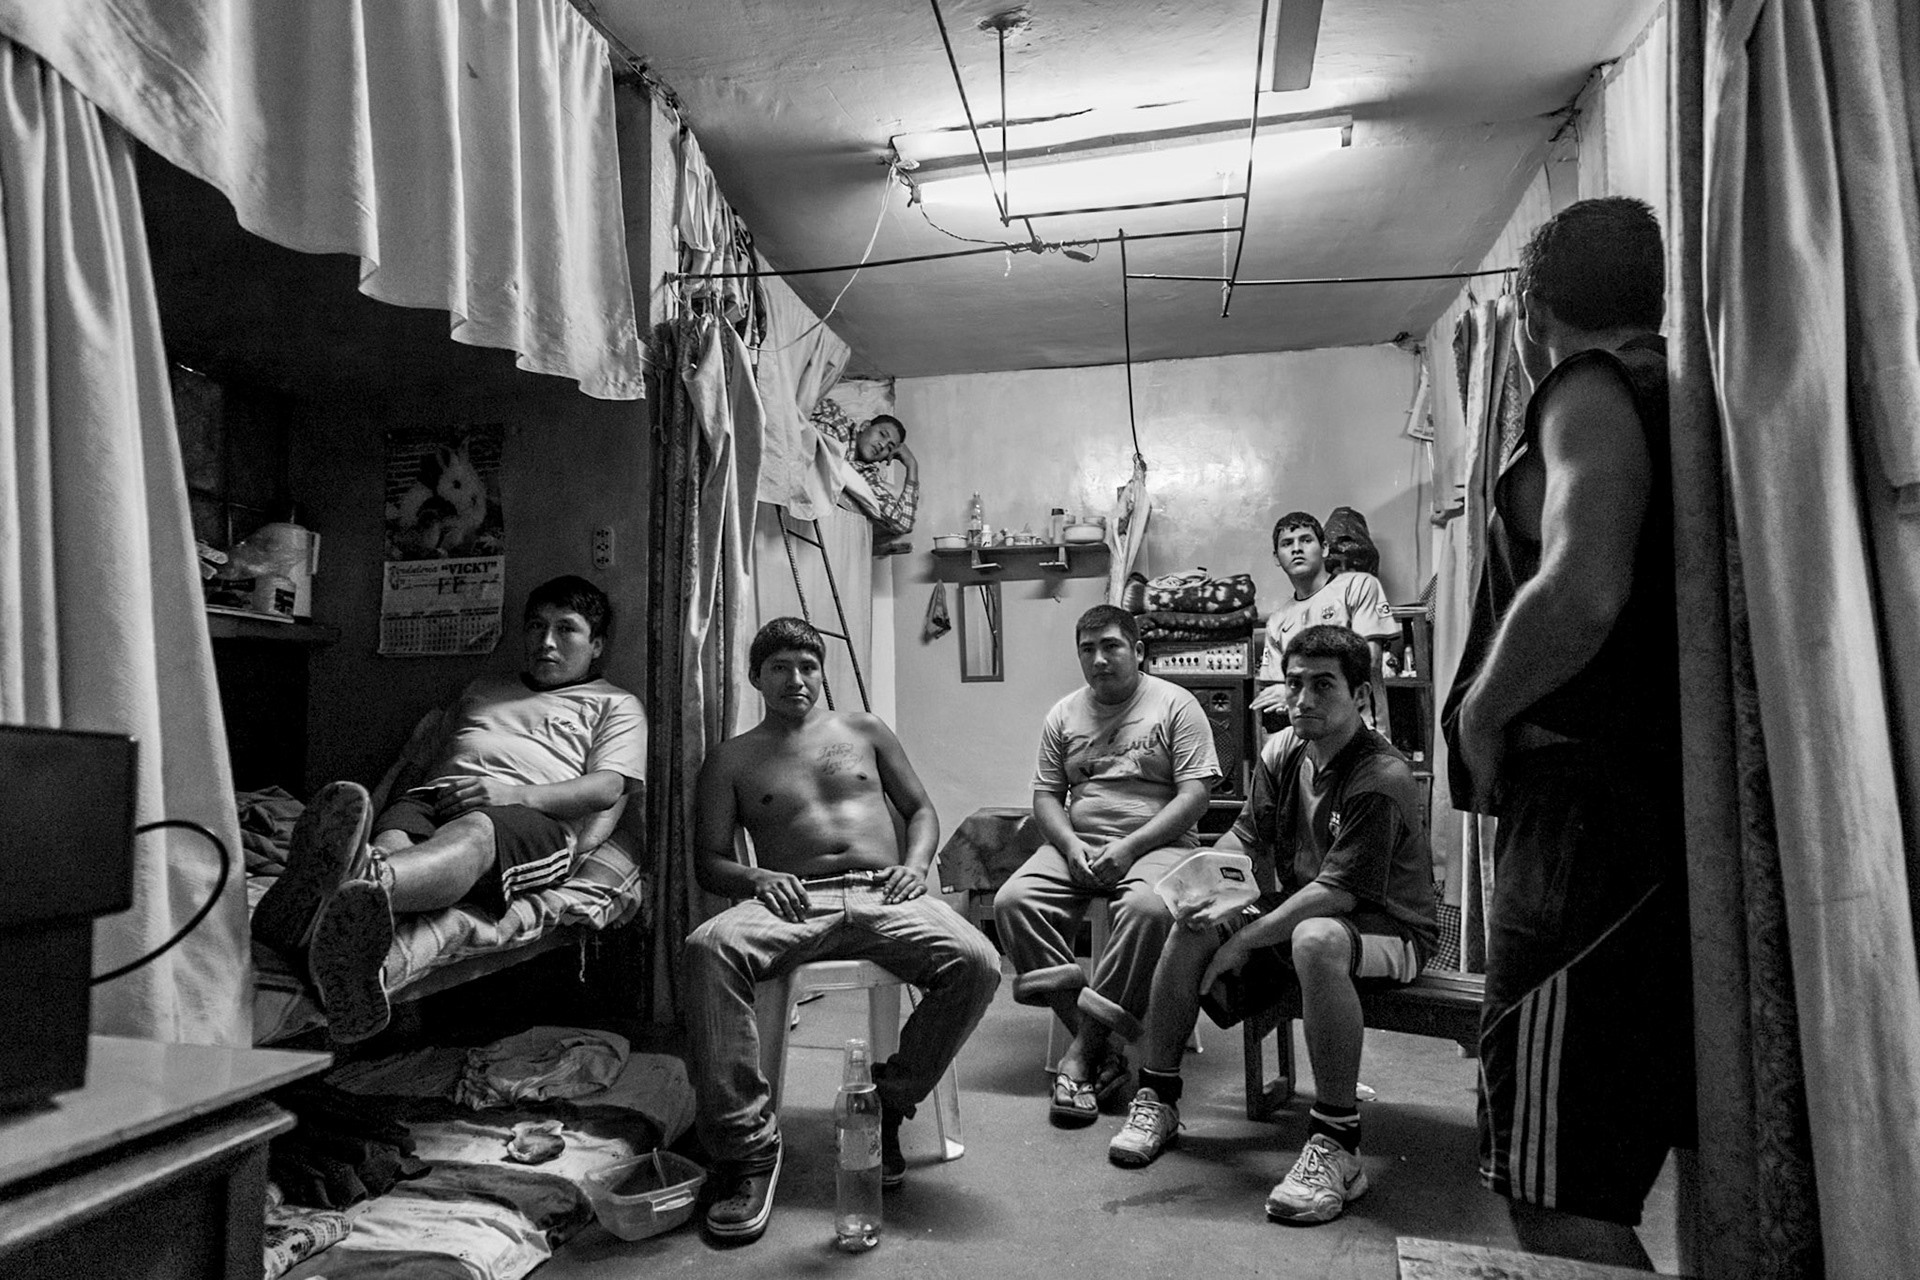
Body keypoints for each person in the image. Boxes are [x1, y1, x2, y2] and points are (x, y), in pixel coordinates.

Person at [1441, 195, 1690, 1270]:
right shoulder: (1667, 387)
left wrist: (1482, 708)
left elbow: (1583, 585)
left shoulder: (1588, 388)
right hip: (1638, 813)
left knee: (1556, 1185)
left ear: (1534, 308)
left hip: (1586, 823)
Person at [683, 617, 1000, 1245]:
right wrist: (756, 878)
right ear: (755, 678)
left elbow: (921, 810)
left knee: (977, 960)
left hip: (888, 889)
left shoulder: (864, 730)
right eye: (780, 668)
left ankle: (886, 1104)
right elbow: (708, 860)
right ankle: (748, 1152)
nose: (796, 679)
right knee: (708, 948)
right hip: (795, 899)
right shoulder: (731, 759)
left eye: (807, 666)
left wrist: (914, 867)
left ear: (822, 673)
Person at [1107, 625, 1437, 1226]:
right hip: (1304, 903)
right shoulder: (1284, 751)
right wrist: (1205, 891)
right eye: (1294, 683)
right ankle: (1158, 1096)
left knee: (1313, 939)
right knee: (1190, 925)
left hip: (1392, 929)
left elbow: (1337, 895)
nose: (1304, 698)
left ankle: (1338, 1144)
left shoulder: (1380, 776)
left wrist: (1245, 940)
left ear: (1359, 695)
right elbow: (1248, 839)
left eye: (1323, 685)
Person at [252, 575, 646, 1043]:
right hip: (436, 796)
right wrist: (390, 807)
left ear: (596, 644)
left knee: (475, 830)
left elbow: (606, 788)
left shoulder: (615, 704)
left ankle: (346, 889)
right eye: (536, 626)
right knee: (395, 838)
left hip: (527, 816)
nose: (546, 642)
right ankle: (358, 893)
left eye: (566, 629)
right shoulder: (482, 689)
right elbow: (425, 762)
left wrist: (511, 796)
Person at [994, 604, 1220, 1128]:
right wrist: (1071, 846)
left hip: (1159, 843)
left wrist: (1130, 848)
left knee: (1147, 909)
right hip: (1082, 843)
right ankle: (1100, 1041)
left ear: (1138, 651)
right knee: (1013, 901)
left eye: (1112, 646)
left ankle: (1082, 1054)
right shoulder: (1064, 714)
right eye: (1087, 650)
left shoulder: (1175, 705)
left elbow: (1195, 797)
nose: (1099, 659)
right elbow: (1047, 796)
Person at [1251, 511, 1397, 727]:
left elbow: (1367, 663)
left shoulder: (1359, 586)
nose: (1297, 548)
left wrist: (1295, 690)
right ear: (1276, 557)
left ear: (1325, 548)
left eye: (1306, 540)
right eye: (1287, 543)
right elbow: (1276, 690)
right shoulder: (1277, 621)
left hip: (1360, 735)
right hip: (1308, 742)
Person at [810, 399, 919, 550]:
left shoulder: (867, 475)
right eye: (882, 434)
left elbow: (902, 524)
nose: (882, 445)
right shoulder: (837, 421)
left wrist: (912, 466)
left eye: (889, 447)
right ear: (865, 426)